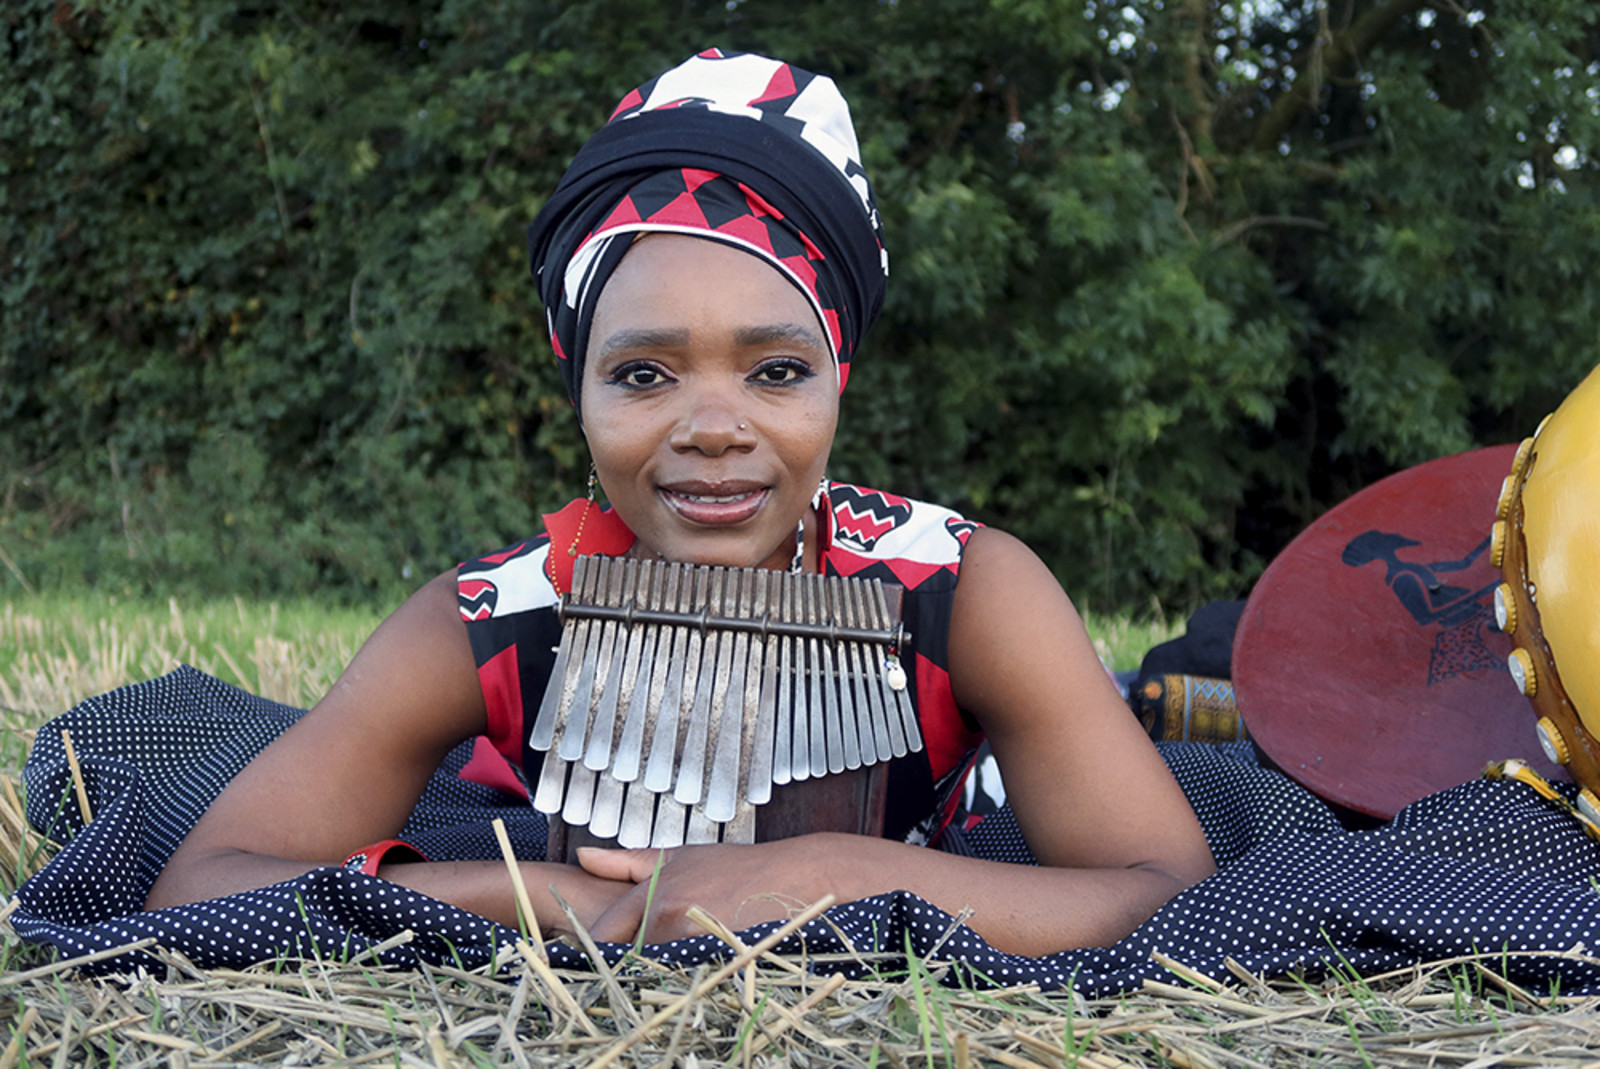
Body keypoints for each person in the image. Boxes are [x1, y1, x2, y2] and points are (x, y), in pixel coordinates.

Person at [143, 49, 1215, 957]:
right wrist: (549, 896)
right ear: (580, 391)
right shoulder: (498, 618)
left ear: (838, 380)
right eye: (643, 375)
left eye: (776, 372)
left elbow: (1167, 891)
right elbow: (200, 887)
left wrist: (833, 873)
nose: (712, 428)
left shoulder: (963, 590)